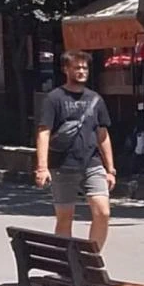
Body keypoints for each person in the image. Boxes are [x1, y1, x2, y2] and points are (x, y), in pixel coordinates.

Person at [35, 50, 116, 250]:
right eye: (77, 67)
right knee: (65, 218)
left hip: (92, 163)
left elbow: (103, 134)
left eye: (85, 68)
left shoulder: (95, 99)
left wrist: (110, 169)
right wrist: (42, 167)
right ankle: (66, 265)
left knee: (102, 213)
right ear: (66, 70)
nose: (81, 71)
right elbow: (44, 132)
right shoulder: (54, 99)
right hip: (62, 165)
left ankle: (91, 260)